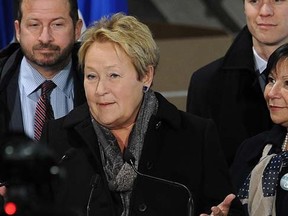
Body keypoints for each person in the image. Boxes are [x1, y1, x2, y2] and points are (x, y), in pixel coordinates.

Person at [40, 13, 244, 216]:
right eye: (91, 76)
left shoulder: (195, 136)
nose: (100, 89)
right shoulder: (59, 139)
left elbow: (227, 207)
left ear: (146, 75)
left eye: (113, 76)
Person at [186, 0, 288, 166]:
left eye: (277, 0)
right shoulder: (207, 84)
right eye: (254, 1)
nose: (264, 11)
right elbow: (197, 169)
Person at [201, 43, 288, 216]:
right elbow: (234, 206)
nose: (272, 93)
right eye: (271, 80)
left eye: (287, 84)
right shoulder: (252, 149)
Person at [0, 0, 86, 140]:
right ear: (18, 31)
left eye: (57, 24)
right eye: (34, 25)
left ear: (77, 29)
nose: (45, 38)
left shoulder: (101, 83)